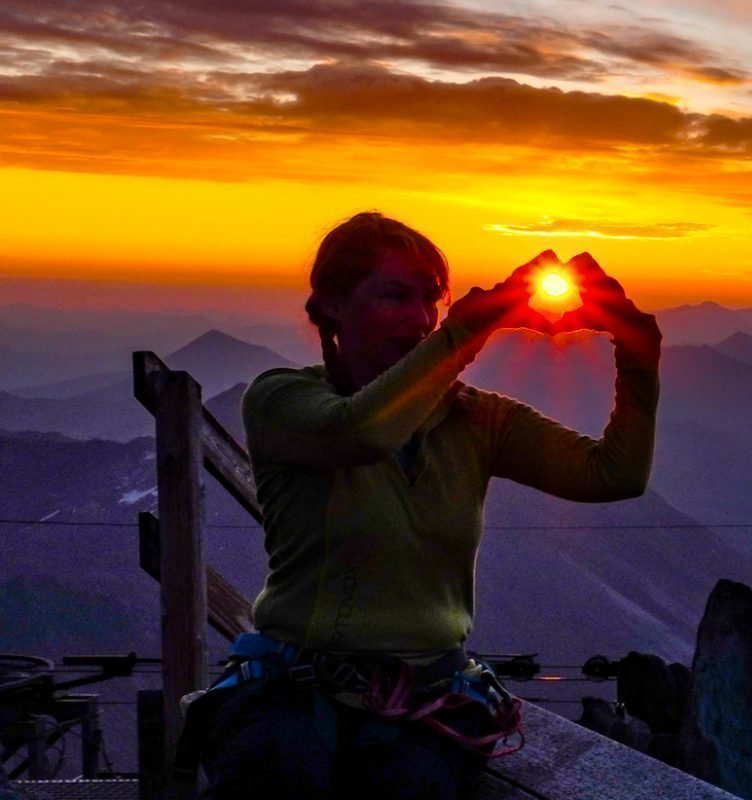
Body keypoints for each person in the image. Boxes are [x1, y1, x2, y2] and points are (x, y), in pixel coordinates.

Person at [191, 211, 661, 799]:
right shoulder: (282, 399)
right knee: (280, 772)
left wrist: (639, 354)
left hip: (426, 693)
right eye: (394, 296)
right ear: (332, 305)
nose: (418, 319)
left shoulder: (476, 418)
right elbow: (359, 434)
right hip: (291, 684)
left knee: (407, 783)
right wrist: (463, 335)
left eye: (430, 301)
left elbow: (612, 475)